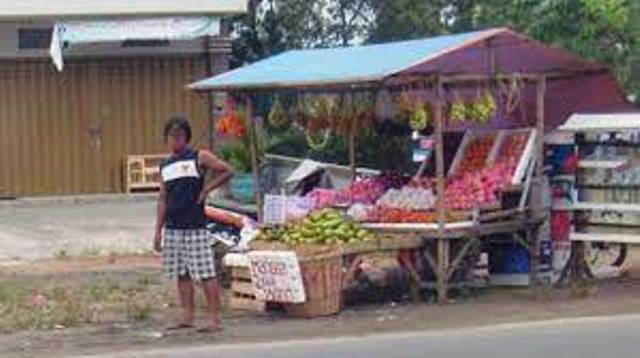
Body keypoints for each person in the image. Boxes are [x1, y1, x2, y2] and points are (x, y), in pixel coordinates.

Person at [154, 115, 234, 333]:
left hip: (195, 225)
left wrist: (207, 189)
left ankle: (214, 319)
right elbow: (162, 198)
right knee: (182, 274)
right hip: (173, 226)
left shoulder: (199, 157)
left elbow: (227, 170)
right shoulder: (166, 165)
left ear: (186, 137)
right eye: (171, 136)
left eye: (179, 135)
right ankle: (187, 316)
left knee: (206, 273)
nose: (175, 140)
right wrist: (157, 231)